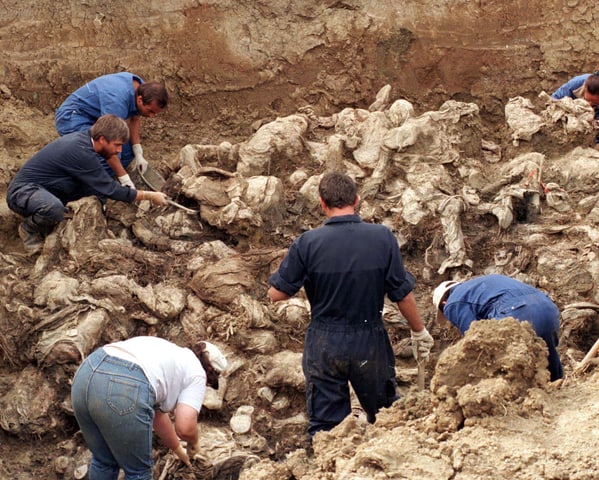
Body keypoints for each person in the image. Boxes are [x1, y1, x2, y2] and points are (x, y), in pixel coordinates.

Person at [267, 172, 433, 437]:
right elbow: (402, 293)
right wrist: (418, 331)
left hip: (324, 341)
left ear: (322, 203)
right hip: (370, 340)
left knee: (326, 429)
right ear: (357, 200)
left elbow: (277, 294)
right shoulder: (382, 237)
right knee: (387, 416)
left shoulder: (307, 243)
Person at [71, 336, 228, 480]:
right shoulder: (198, 373)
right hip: (122, 387)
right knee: (139, 473)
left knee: (104, 461)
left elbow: (158, 417)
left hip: (86, 374)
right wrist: (194, 443)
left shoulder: (171, 354)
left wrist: (179, 450)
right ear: (210, 373)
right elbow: (185, 428)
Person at [6, 114, 167, 253]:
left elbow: (102, 187)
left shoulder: (86, 143)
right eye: (117, 145)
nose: (119, 151)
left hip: (50, 188)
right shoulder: (80, 151)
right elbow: (110, 188)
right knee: (53, 208)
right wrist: (149, 195)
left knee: (95, 191)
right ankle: (29, 229)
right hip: (23, 192)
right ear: (102, 139)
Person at [433, 274, 563, 381]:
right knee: (548, 354)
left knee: (501, 359)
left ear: (443, 303)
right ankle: (557, 387)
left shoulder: (452, 302)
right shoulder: (484, 283)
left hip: (516, 311)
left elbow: (474, 340)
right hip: (548, 307)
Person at [55, 72, 168, 187]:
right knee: (105, 150)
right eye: (150, 111)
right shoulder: (117, 100)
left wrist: (138, 153)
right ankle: (86, 182)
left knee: (128, 151)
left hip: (96, 118)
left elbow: (134, 118)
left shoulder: (143, 89)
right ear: (139, 100)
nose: (152, 116)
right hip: (73, 117)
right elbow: (109, 145)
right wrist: (124, 179)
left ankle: (103, 177)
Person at [551, 69, 599, 145]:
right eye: (587, 100)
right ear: (585, 88)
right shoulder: (575, 85)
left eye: (595, 103)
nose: (589, 105)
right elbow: (553, 102)